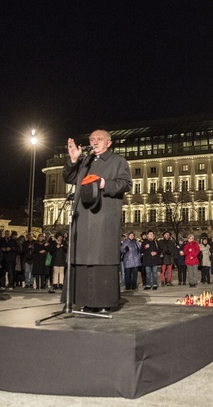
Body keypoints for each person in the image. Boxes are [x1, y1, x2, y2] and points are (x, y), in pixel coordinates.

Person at [64, 130, 131, 311]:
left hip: (104, 218)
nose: (94, 142)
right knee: (82, 257)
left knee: (102, 258)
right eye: (92, 139)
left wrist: (104, 183)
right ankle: (85, 301)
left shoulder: (118, 161)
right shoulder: (85, 161)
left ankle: (103, 303)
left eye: (99, 139)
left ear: (109, 143)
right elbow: (69, 178)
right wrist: (73, 160)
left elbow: (126, 184)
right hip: (83, 218)